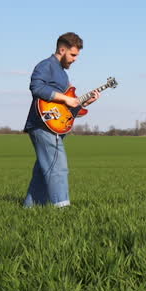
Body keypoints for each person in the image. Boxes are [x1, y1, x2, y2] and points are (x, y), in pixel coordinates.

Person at [23, 32, 96, 207]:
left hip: (55, 126)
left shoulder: (63, 74)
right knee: (58, 167)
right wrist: (65, 99)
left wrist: (84, 102)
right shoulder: (46, 65)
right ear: (62, 50)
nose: (75, 59)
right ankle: (62, 209)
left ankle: (30, 208)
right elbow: (36, 87)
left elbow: (67, 108)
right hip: (42, 125)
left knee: (44, 169)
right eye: (73, 55)